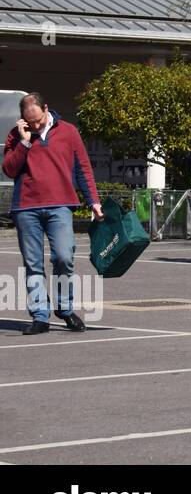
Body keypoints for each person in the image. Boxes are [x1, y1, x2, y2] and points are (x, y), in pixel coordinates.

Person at [2, 92, 102, 335]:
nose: (35, 126)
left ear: (46, 108)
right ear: (23, 118)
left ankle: (65, 309)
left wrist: (94, 202)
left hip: (60, 205)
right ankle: (40, 316)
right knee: (33, 264)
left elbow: (83, 168)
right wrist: (25, 143)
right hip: (26, 207)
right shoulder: (17, 135)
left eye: (38, 120)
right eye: (30, 122)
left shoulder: (68, 131)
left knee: (64, 257)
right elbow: (9, 170)